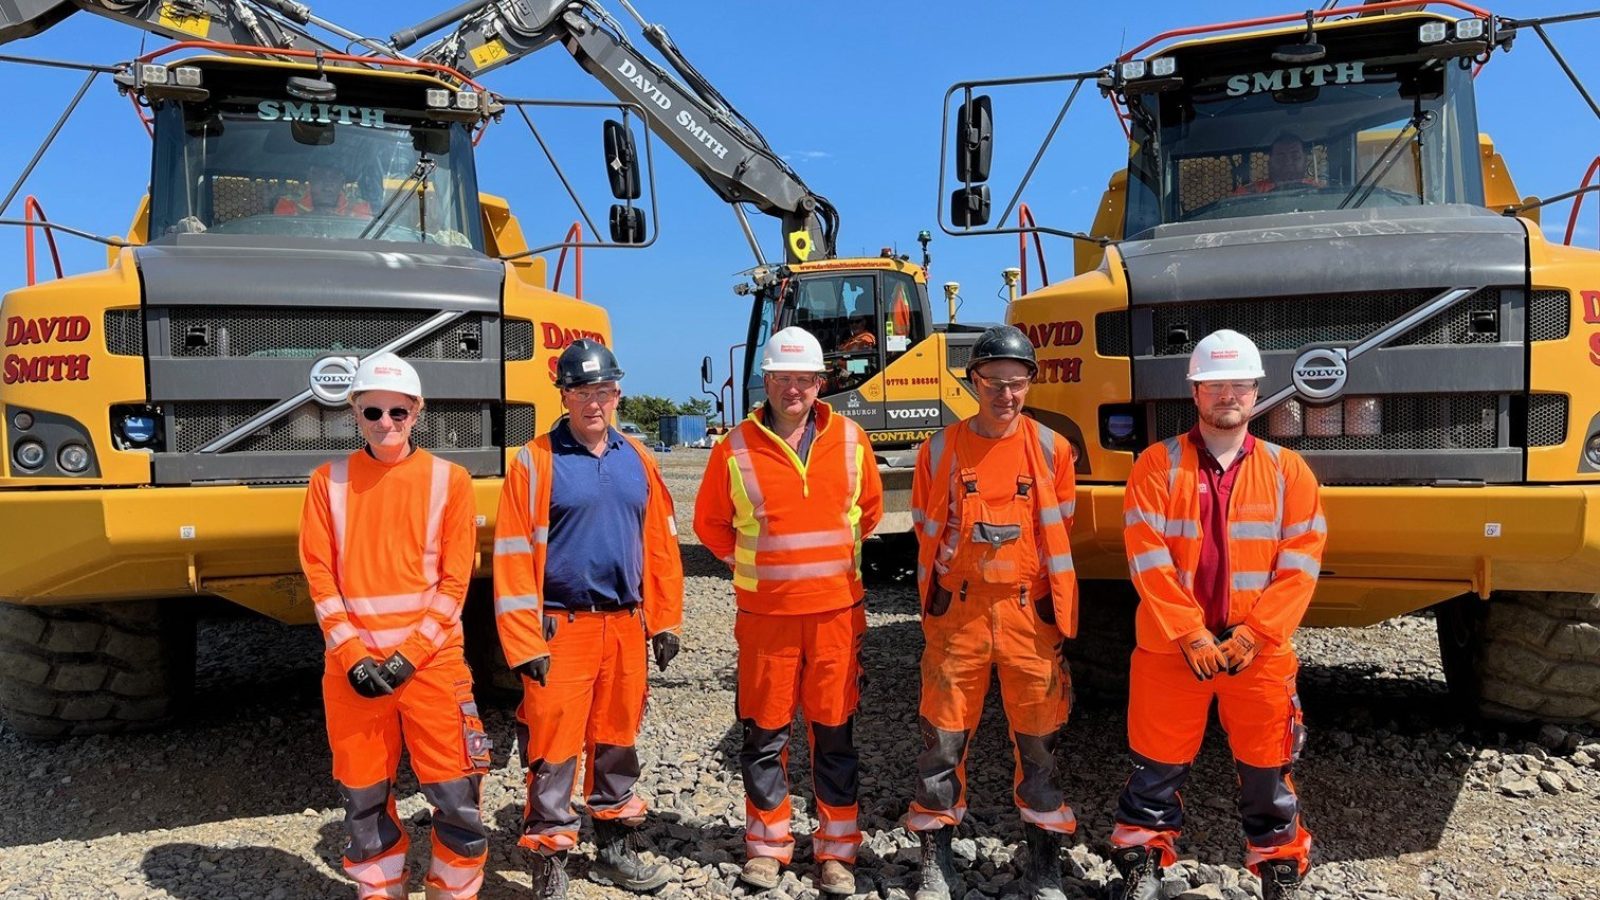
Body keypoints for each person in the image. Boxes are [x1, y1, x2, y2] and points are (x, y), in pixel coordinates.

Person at [1109, 329, 1327, 900]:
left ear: (1256, 393)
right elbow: (1146, 558)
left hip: (1258, 652)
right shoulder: (1156, 467)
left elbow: (1301, 565)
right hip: (1171, 649)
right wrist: (1191, 635)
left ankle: (1278, 870)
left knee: (1267, 772)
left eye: (1238, 384)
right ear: (1195, 393)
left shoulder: (1288, 472)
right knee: (1154, 768)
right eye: (1214, 385)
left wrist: (1256, 634)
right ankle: (1141, 866)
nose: (1227, 394)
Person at [693, 325, 884, 897]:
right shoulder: (734, 448)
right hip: (767, 619)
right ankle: (768, 848)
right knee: (765, 735)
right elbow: (710, 524)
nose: (793, 389)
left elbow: (868, 513)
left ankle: (837, 852)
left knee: (835, 735)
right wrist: (755, 568)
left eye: (804, 379)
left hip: (835, 617)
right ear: (767, 381)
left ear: (820, 383)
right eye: (783, 378)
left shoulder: (851, 440)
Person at [493, 339, 684, 899]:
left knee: (617, 738)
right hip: (560, 627)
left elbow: (661, 545)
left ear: (617, 393)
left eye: (602, 390)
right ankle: (550, 857)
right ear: (564, 396)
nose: (593, 402)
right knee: (553, 747)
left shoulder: (637, 458)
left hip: (624, 625)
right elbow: (509, 557)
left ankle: (612, 848)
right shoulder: (536, 461)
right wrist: (525, 641)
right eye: (581, 391)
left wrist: (665, 619)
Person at [298, 352, 487, 900]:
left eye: (397, 413)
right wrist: (354, 656)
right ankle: (380, 889)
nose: (386, 423)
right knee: (363, 796)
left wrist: (409, 655)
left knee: (456, 793)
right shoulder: (326, 482)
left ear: (417, 411)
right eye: (373, 411)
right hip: (354, 672)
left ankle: (453, 891)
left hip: (431, 667)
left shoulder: (448, 480)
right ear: (354, 411)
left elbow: (455, 585)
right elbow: (320, 577)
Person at [907, 325, 1079, 900]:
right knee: (942, 741)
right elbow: (925, 530)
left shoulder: (1054, 449)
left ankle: (1044, 866)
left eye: (1017, 383)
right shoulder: (939, 449)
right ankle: (936, 859)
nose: (1006, 395)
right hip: (959, 615)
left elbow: (1061, 530)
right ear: (972, 382)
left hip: (1030, 617)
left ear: (1031, 382)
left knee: (1040, 741)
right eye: (993, 383)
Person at [1233, 133, 1324, 194]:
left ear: (1305, 161)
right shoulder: (1247, 193)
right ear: (1270, 163)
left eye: (1295, 157)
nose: (1288, 163)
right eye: (1281, 158)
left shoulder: (1318, 190)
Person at [277, 161, 373, 216]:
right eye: (320, 175)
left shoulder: (359, 207)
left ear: (342, 181)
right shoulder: (289, 204)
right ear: (310, 178)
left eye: (334, 176)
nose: (328, 183)